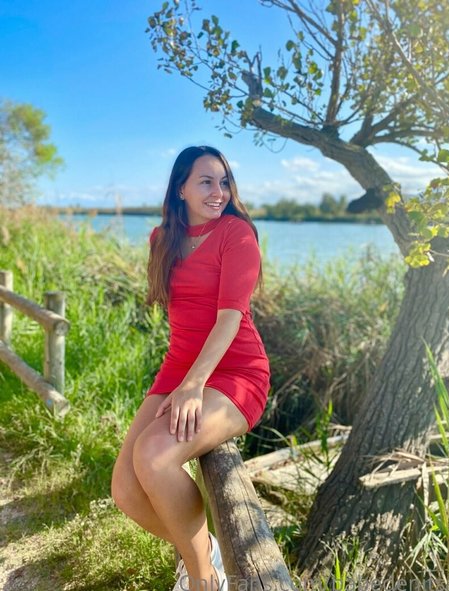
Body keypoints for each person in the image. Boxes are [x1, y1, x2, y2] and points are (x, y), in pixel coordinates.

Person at [111, 145, 270, 591]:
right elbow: (180, 318)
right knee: (125, 490)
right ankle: (203, 551)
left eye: (224, 182)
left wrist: (195, 385)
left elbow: (230, 318)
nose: (218, 191)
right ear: (180, 188)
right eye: (205, 181)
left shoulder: (237, 234)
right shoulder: (161, 239)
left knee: (154, 456)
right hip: (179, 369)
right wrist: (182, 381)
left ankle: (204, 580)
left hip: (236, 371)